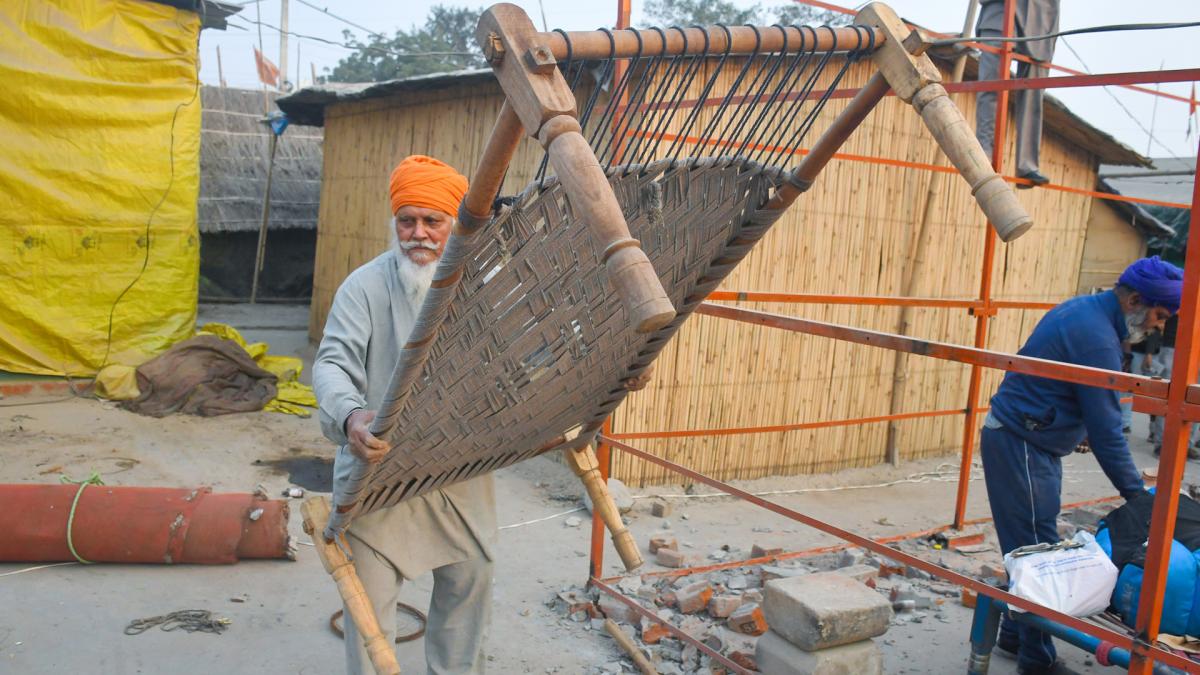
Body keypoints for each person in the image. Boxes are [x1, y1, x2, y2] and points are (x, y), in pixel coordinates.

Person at [313, 155, 493, 675]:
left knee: (469, 592)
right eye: (406, 220)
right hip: (378, 479)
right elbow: (330, 366)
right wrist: (351, 419)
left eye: (432, 221)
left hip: (459, 478)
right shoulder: (364, 286)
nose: (418, 233)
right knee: (370, 623)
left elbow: (535, 361)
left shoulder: (486, 289)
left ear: (455, 224)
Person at [980, 256, 1182, 675]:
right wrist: (1136, 496)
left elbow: (1078, 399)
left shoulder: (1086, 311)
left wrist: (1074, 426)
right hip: (1022, 442)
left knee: (1028, 545)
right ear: (1134, 300)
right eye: (1160, 315)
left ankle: (1014, 637)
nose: (1160, 326)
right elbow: (1108, 428)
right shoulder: (1096, 338)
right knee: (1041, 559)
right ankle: (1038, 663)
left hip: (1028, 438)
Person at [974, 0, 1060, 188]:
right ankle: (984, 151)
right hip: (1000, 12)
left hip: (1041, 20)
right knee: (991, 85)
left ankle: (1027, 164)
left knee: (1033, 94)